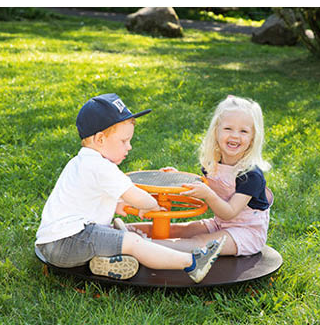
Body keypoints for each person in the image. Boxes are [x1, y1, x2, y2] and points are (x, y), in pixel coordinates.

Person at [35, 93, 226, 283]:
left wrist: (119, 205)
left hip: (53, 243)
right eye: (124, 141)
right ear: (100, 139)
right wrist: (151, 204)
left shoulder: (81, 161)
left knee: (118, 232)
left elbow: (92, 198)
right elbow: (139, 198)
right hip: (68, 242)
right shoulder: (101, 167)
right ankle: (192, 263)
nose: (130, 147)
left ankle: (105, 261)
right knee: (134, 242)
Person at [121, 95, 273, 257]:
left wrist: (208, 195)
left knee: (200, 242)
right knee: (182, 229)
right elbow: (205, 186)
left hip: (246, 232)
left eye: (243, 131)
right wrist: (176, 179)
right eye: (228, 129)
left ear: (252, 138)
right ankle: (121, 231)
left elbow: (229, 212)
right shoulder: (213, 164)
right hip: (220, 224)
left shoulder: (250, 175)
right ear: (216, 131)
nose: (235, 135)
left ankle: (141, 247)